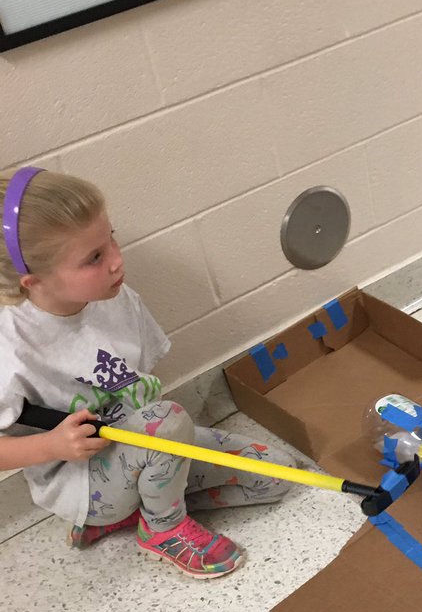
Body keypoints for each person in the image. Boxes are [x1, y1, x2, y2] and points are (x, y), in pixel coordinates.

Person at [0, 167, 295, 578]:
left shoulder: (117, 300)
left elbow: (140, 396)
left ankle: (133, 513)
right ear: (35, 282)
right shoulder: (10, 346)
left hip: (150, 449)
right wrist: (52, 446)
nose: (118, 261)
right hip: (82, 480)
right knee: (169, 420)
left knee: (274, 475)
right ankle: (163, 530)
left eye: (111, 239)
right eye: (94, 258)